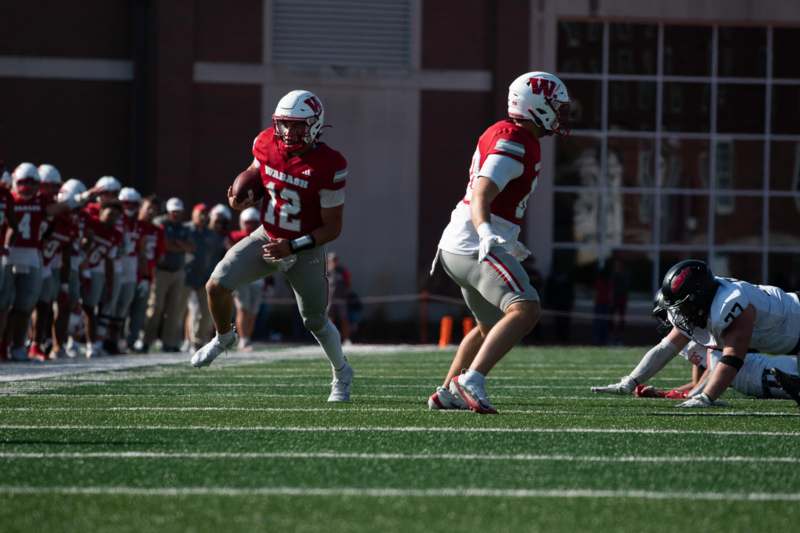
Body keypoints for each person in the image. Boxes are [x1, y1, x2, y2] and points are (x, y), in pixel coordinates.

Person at [191, 89, 354, 403]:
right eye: (284, 124)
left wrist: (293, 246)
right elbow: (255, 173)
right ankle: (224, 336)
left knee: (315, 320)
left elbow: (332, 227)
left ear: (316, 124)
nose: (289, 132)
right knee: (216, 285)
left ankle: (342, 373)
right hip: (266, 236)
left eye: (298, 125)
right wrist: (240, 197)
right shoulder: (265, 142)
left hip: (304, 248)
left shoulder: (329, 164)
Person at [427, 72, 570, 414]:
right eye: (555, 105)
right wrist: (487, 231)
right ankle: (471, 379)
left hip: (458, 244)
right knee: (526, 308)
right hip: (473, 242)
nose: (560, 113)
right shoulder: (515, 139)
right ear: (537, 105)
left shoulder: (509, 133)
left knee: (488, 326)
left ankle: (447, 391)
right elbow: (482, 191)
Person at [591, 259, 800, 407]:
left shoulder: (730, 303)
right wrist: (631, 381)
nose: (678, 314)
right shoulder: (701, 307)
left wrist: (706, 397)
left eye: (682, 306)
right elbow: (665, 348)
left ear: (698, 296)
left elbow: (733, 357)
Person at [143, 197, 193, 352]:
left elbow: (191, 247)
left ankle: (169, 342)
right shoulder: (161, 223)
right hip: (161, 270)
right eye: (173, 212)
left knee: (174, 309)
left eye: (178, 212)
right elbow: (165, 245)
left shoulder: (184, 227)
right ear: (168, 211)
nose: (176, 214)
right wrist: (179, 245)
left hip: (178, 271)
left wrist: (177, 245)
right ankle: (146, 340)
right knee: (155, 307)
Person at [128, 195, 164, 352]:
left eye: (154, 210)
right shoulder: (133, 224)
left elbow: (158, 255)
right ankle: (112, 339)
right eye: (148, 208)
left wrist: (150, 274)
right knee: (121, 307)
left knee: (139, 310)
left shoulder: (157, 230)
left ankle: (132, 339)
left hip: (145, 274)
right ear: (140, 208)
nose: (151, 212)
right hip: (127, 272)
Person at [228, 207, 264, 351]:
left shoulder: (262, 237)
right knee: (243, 309)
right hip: (242, 279)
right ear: (242, 222)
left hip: (258, 278)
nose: (250, 225)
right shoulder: (234, 236)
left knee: (253, 312)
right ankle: (243, 339)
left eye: (253, 222)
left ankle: (247, 338)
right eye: (248, 222)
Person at [327, 252, 352, 344]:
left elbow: (348, 283)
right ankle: (331, 340)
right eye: (332, 260)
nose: (334, 262)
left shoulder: (342, 271)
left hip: (341, 300)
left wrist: (345, 293)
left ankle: (346, 339)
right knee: (329, 320)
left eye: (335, 260)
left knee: (344, 319)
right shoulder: (326, 272)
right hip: (329, 300)